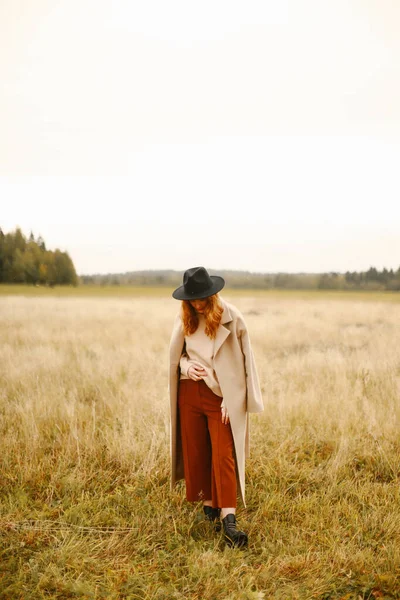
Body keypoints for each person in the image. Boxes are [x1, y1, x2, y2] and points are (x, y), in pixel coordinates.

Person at [169, 266, 264, 548]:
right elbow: (178, 355)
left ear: (213, 294)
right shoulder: (185, 316)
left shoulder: (233, 318)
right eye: (192, 299)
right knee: (196, 451)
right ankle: (208, 508)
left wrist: (233, 400)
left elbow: (247, 364)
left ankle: (229, 521)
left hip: (221, 397)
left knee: (224, 453)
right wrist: (187, 365)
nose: (197, 304)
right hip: (188, 391)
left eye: (202, 298)